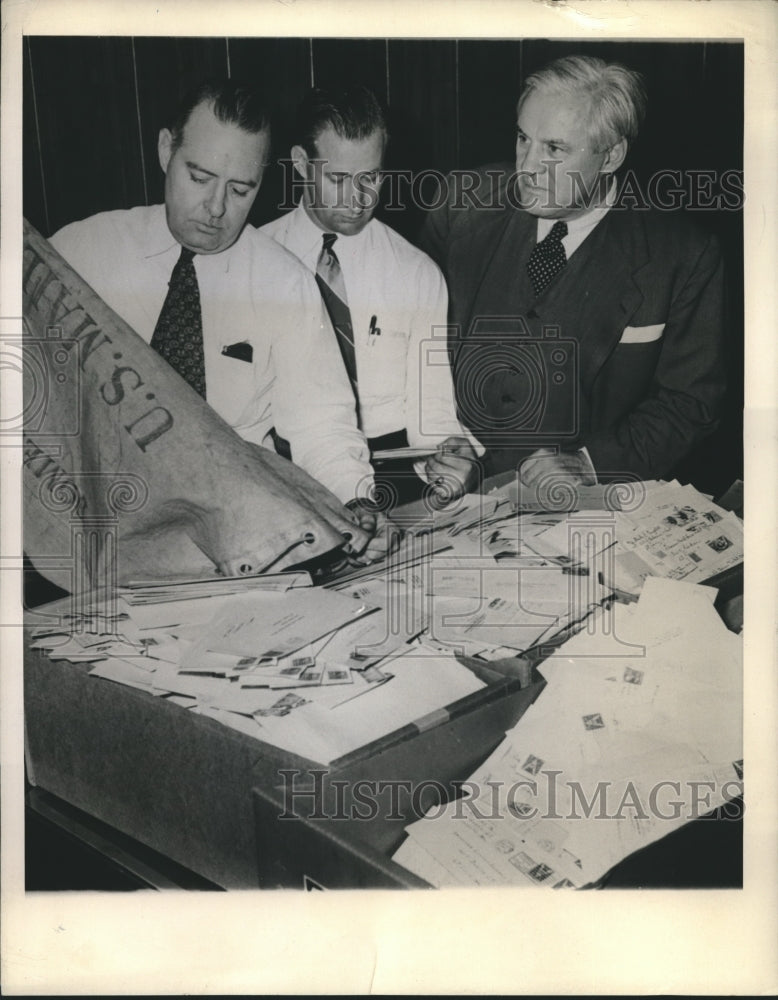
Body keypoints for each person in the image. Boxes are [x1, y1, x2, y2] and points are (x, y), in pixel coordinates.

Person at [50, 79, 389, 560]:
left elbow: (320, 424)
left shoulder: (283, 283)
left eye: (239, 189)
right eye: (199, 176)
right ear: (167, 149)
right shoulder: (82, 253)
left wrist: (355, 499)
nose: (215, 208)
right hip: (89, 532)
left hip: (232, 541)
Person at [420, 55, 726, 487]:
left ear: (611, 155)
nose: (526, 167)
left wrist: (593, 464)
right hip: (448, 485)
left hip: (580, 504)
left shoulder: (682, 254)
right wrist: (442, 441)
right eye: (523, 138)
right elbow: (407, 347)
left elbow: (689, 402)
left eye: (554, 149)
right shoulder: (461, 205)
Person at [261, 84, 481, 508]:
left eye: (372, 177)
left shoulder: (417, 273)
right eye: (339, 179)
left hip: (394, 475)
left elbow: (430, 411)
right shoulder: (255, 262)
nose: (359, 200)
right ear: (302, 164)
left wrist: (452, 456)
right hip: (286, 475)